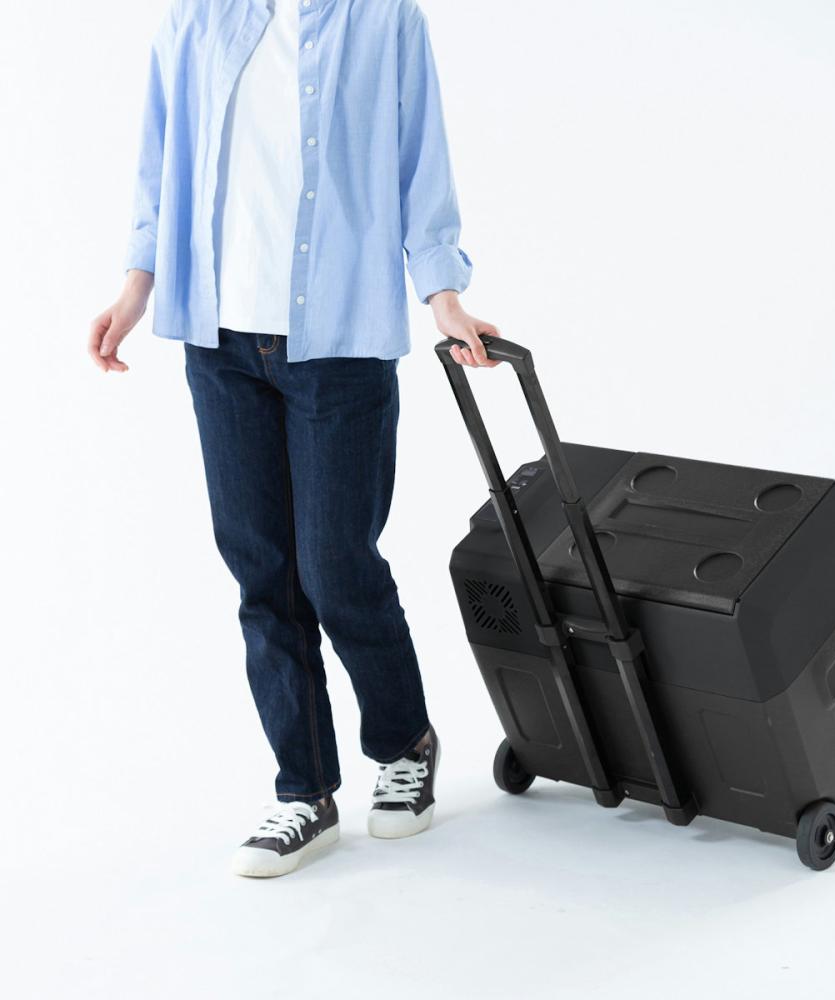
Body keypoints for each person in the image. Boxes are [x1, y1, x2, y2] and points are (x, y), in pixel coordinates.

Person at [88, 0, 498, 879]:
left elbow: (420, 162)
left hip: (340, 341)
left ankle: (404, 743)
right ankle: (304, 791)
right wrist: (134, 289)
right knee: (262, 574)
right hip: (219, 341)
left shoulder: (385, 20)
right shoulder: (195, 21)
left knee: (337, 567)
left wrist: (443, 295)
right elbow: (158, 164)